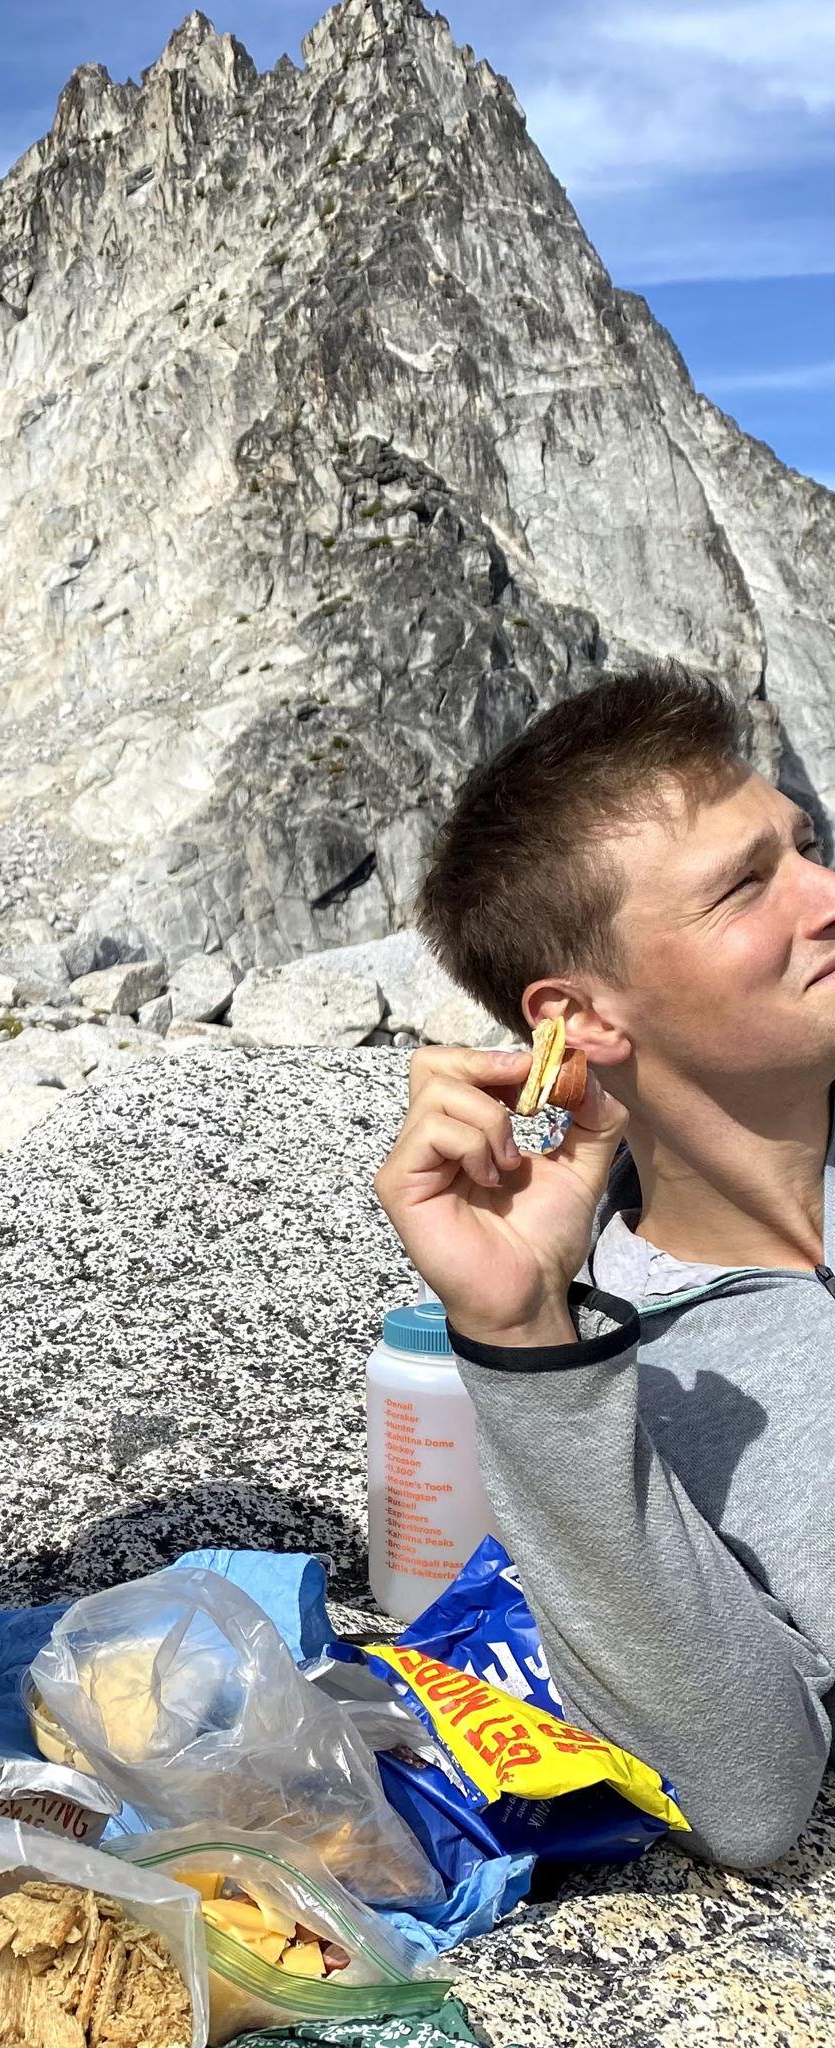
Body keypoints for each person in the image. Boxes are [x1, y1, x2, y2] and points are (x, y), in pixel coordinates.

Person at [374, 665, 834, 1870]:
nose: (825, 892)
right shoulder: (636, 1383)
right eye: (747, 885)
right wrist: (527, 1338)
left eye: (805, 843)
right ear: (579, 1024)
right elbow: (745, 1790)